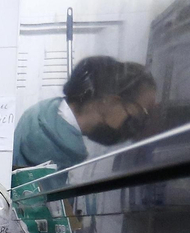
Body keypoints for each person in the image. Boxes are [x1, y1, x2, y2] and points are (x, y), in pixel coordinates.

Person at [13, 55, 156, 170]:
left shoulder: (43, 114)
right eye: (138, 113)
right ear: (110, 101)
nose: (134, 126)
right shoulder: (57, 148)